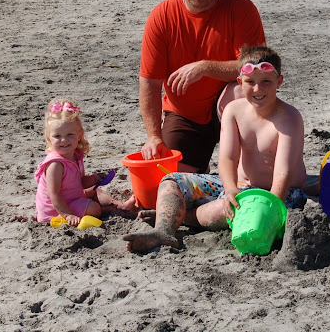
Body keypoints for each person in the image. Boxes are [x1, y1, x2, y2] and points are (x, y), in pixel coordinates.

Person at [124, 46, 307, 253]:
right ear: (240, 82)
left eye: (266, 81)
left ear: (279, 82)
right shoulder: (234, 111)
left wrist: (270, 210)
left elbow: (284, 172)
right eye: (250, 82)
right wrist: (230, 190)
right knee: (172, 180)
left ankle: (183, 216)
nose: (258, 89)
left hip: (280, 195)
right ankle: (163, 230)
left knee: (232, 210)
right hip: (238, 186)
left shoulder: (289, 117)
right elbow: (228, 158)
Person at [138, 0, 265, 174]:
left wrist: (204, 68)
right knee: (171, 178)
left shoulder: (241, 9)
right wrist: (154, 136)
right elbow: (150, 82)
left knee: (239, 92)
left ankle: (247, 168)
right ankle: (199, 165)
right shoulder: (161, 16)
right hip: (184, 113)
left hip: (228, 108)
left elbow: (255, 68)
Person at [34, 99, 118, 225]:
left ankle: (119, 206)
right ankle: (107, 209)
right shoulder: (55, 164)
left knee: (94, 191)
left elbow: (79, 182)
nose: (63, 140)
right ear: (49, 138)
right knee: (93, 208)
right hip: (55, 210)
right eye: (57, 136)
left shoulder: (75, 156)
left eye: (70, 134)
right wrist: (68, 215)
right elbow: (54, 194)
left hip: (71, 198)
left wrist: (94, 179)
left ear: (79, 135)